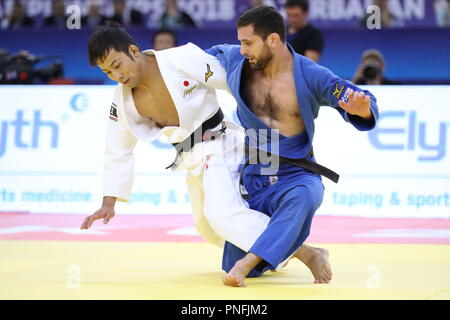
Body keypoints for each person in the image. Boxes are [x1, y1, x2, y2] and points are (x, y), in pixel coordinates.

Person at [80, 24, 332, 285]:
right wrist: (108, 203)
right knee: (207, 228)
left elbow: (235, 78)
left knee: (222, 215)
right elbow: (117, 148)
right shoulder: (122, 100)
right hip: (191, 158)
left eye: (117, 64)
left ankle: (307, 253)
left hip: (220, 143)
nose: (116, 75)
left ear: (133, 50)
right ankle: (277, 240)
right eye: (107, 71)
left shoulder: (181, 59)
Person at [206, 6, 379, 287]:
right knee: (243, 265)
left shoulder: (310, 74)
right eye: (240, 42)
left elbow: (353, 95)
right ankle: (309, 253)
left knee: (307, 196)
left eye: (248, 42)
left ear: (273, 40)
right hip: (256, 176)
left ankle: (246, 262)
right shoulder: (237, 60)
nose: (242, 49)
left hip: (296, 174)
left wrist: (363, 109)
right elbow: (203, 57)